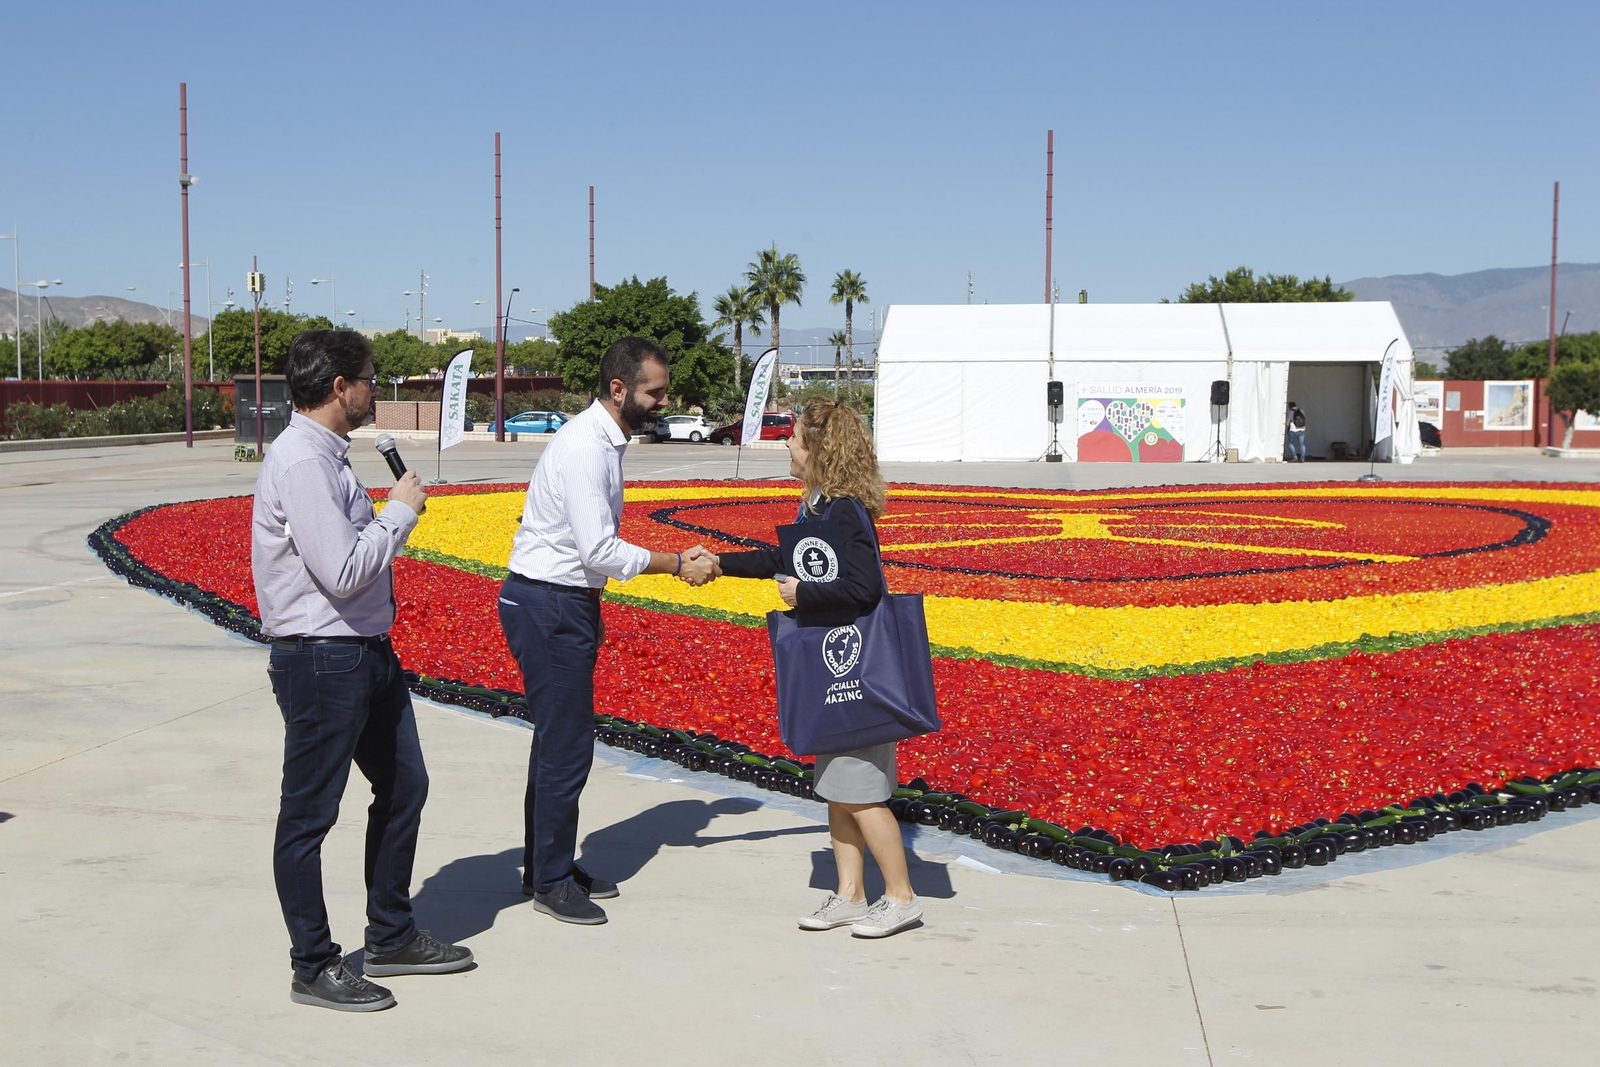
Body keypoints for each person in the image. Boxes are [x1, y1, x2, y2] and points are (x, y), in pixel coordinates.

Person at [252, 330, 472, 1013]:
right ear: (339, 385)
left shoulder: (328, 455)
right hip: (323, 659)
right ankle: (313, 964)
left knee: (405, 785)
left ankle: (391, 935)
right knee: (309, 816)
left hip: (363, 651)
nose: (377, 390)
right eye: (371, 379)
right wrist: (401, 510)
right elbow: (344, 570)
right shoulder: (302, 463)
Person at [499, 336, 719, 925]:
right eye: (655, 392)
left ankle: (546, 865)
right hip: (548, 604)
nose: (663, 401)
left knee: (556, 742)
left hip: (561, 600)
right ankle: (550, 881)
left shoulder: (602, 440)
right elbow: (598, 549)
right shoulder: (586, 447)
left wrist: (593, 608)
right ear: (618, 389)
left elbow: (585, 553)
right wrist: (676, 563)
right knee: (566, 748)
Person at [717, 398, 923, 938]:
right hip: (836, 672)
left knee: (861, 792)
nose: (787, 444)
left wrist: (803, 594)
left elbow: (865, 588)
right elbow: (780, 559)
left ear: (819, 449)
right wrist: (719, 563)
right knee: (836, 786)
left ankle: (900, 897)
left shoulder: (845, 510)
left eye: (794, 437)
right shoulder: (817, 506)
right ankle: (849, 894)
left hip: (856, 671)